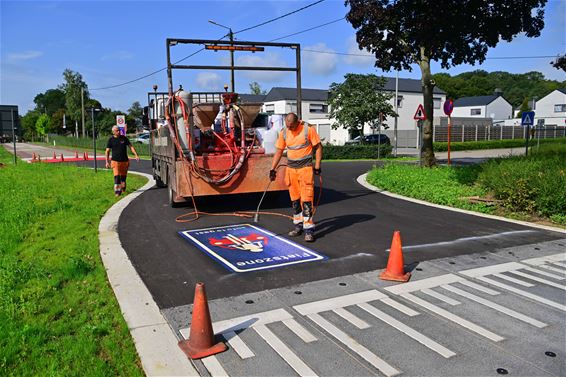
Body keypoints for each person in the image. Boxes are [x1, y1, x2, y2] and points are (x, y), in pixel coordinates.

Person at [269, 113, 322, 242]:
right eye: (287, 126)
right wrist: (272, 168)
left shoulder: (308, 129)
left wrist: (317, 166)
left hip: (305, 169)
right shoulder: (284, 132)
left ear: (297, 122)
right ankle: (298, 226)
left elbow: (318, 147)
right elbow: (279, 151)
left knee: (307, 199)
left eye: (291, 126)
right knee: (295, 200)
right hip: (291, 170)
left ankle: (309, 230)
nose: (289, 128)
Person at [105, 125, 139, 197]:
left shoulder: (124, 138)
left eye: (119, 130)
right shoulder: (111, 140)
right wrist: (107, 162)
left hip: (124, 161)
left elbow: (130, 146)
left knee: (123, 178)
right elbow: (107, 151)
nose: (119, 131)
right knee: (117, 177)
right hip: (115, 161)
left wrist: (136, 154)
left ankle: (123, 188)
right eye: (117, 130)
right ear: (113, 132)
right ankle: (117, 192)